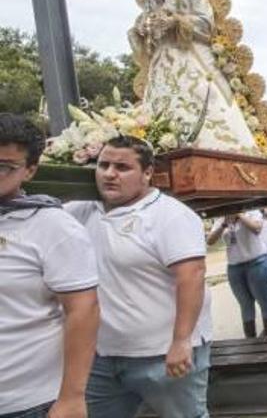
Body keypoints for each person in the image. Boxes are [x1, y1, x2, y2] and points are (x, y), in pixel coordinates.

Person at [65, 136, 212, 417]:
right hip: (102, 358)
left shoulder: (170, 216)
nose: (109, 174)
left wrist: (181, 341)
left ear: (147, 174)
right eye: (103, 165)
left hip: (163, 357)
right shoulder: (79, 212)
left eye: (122, 167)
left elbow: (192, 276)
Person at [0, 114, 99, 418]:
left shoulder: (52, 227)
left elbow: (83, 309)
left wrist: (71, 398)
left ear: (30, 171)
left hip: (27, 403)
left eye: (4, 167)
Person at [126, 0, 258, 153]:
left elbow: (207, 25)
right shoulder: (151, 0)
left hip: (191, 58)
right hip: (160, 67)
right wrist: (144, 28)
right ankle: (161, 146)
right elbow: (146, 36)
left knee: (203, 104)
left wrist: (176, 20)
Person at [207, 210, 267, 338]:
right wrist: (223, 225)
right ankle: (251, 343)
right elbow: (210, 241)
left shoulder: (251, 211)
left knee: (265, 302)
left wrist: (240, 215)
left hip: (257, 263)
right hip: (235, 268)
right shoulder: (221, 217)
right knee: (245, 305)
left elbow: (257, 228)